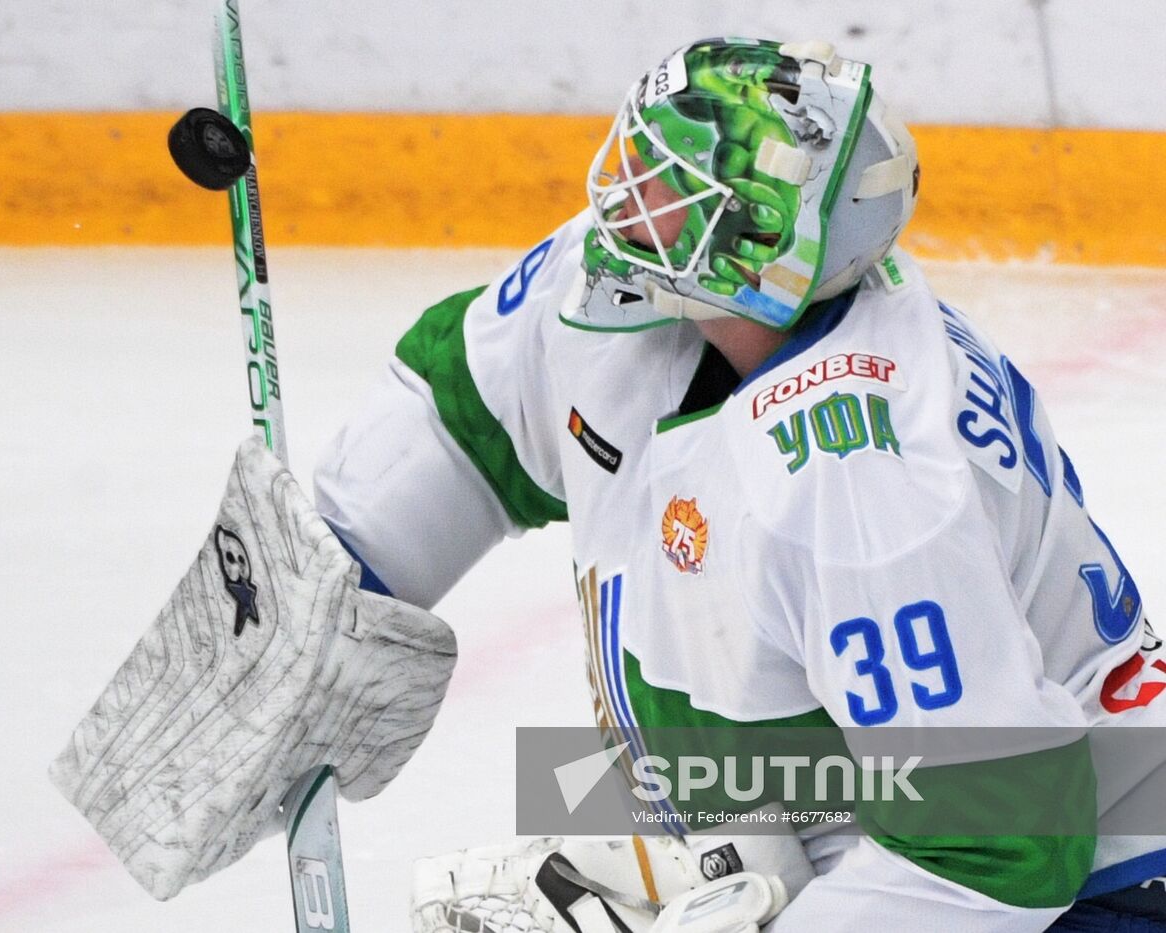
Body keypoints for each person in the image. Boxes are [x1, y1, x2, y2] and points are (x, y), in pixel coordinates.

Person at [312, 38, 1166, 931]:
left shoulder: (862, 482)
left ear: (762, 242)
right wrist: (334, 571)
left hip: (1099, 875)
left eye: (675, 181)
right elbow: (473, 406)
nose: (626, 190)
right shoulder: (638, 282)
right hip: (840, 804)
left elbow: (997, 849)